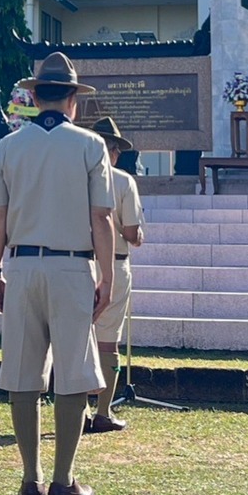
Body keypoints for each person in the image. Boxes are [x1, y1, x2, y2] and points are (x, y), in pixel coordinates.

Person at [0, 53, 116, 495]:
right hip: (72, 266)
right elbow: (101, 217)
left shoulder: (8, 146)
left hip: (21, 265)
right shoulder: (90, 145)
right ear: (73, 100)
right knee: (73, 373)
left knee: (22, 372)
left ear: (35, 96)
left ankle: (30, 477)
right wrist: (108, 274)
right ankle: (63, 478)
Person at [86, 115, 145, 434]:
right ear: (114, 151)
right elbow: (133, 231)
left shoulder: (77, 177)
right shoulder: (123, 182)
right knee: (108, 341)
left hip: (78, 262)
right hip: (115, 261)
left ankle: (78, 409)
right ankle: (103, 411)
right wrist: (134, 235)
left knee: (77, 339)